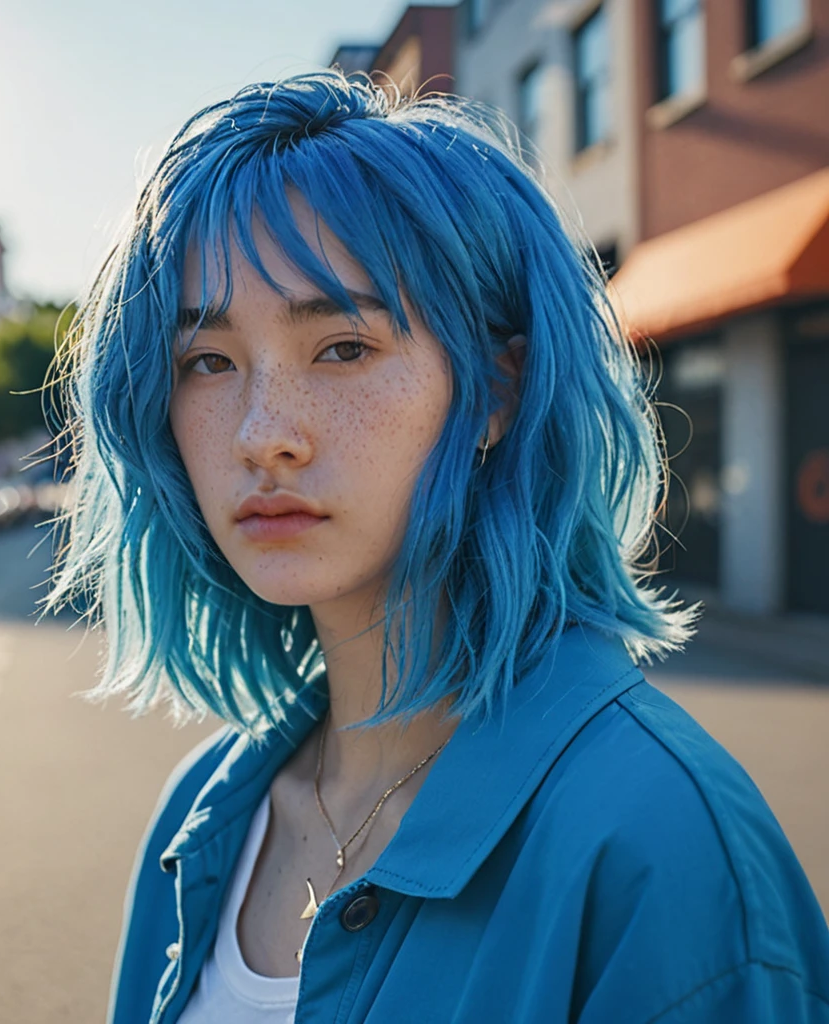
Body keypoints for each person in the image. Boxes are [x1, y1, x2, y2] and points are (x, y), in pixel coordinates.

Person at [46, 71, 829, 1023]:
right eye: (207, 363)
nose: (262, 433)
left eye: (343, 347)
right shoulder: (203, 815)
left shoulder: (657, 845)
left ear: (498, 388)